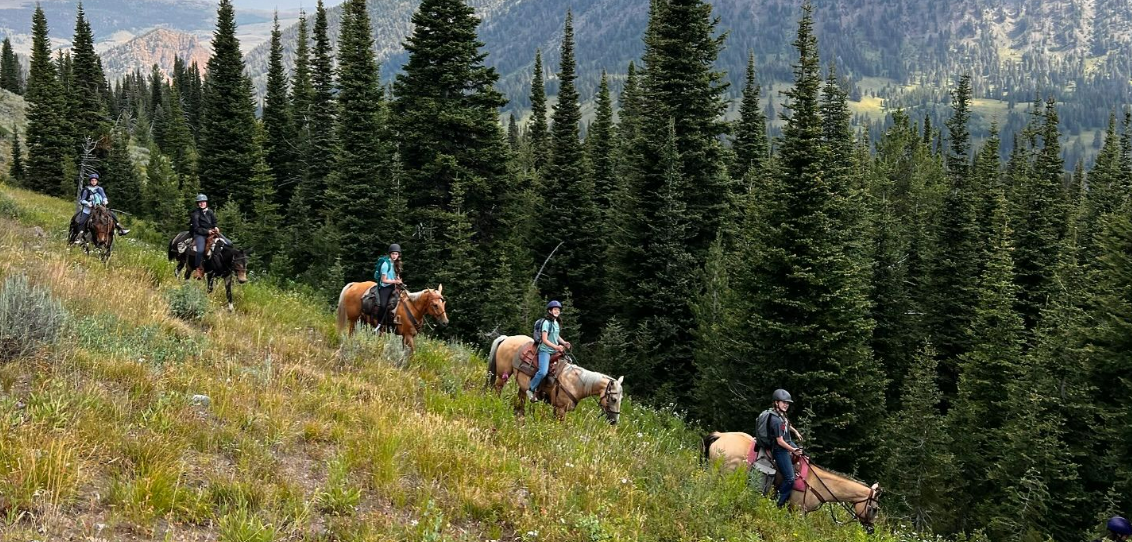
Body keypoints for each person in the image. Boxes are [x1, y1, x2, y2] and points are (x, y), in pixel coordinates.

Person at [527, 300, 571, 402]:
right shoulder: (546, 323)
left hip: (554, 350)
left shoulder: (556, 322)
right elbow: (545, 339)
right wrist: (557, 347)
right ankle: (531, 389)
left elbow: (556, 335)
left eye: (558, 309)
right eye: (555, 309)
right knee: (543, 372)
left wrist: (564, 343)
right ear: (550, 311)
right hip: (545, 350)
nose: (557, 311)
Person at [768, 388, 803, 508]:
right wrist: (793, 450)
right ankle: (777, 502)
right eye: (783, 402)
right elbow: (780, 441)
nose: (786, 405)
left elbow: (788, 424)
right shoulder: (776, 420)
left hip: (788, 442)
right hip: (780, 449)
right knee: (789, 479)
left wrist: (796, 432)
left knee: (803, 455)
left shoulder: (781, 415)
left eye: (787, 403)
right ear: (776, 402)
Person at [73, 173, 129, 243]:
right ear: (90, 181)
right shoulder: (86, 190)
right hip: (88, 209)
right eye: (92, 180)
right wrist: (87, 203)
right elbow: (82, 200)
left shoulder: (100, 189)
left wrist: (105, 201)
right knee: (82, 221)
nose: (93, 182)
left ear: (97, 181)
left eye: (95, 180)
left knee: (112, 215)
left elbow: (104, 196)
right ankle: (80, 237)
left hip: (99, 207)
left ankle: (120, 228)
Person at [189, 194, 219, 280]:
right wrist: (207, 231)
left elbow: (214, 221)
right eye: (200, 202)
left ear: (206, 202)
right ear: (198, 204)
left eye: (203, 202)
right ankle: (198, 268)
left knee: (227, 243)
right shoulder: (195, 214)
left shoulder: (210, 212)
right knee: (200, 250)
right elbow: (196, 228)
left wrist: (216, 227)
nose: (202, 204)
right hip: (200, 234)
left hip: (211, 233)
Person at [373, 244, 403, 329]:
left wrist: (398, 280)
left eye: (396, 254)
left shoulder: (396, 263)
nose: (394, 256)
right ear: (390, 254)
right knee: (383, 305)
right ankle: (379, 323)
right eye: (393, 254)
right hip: (385, 288)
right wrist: (395, 281)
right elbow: (384, 280)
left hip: (393, 286)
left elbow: (395, 275)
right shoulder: (386, 264)